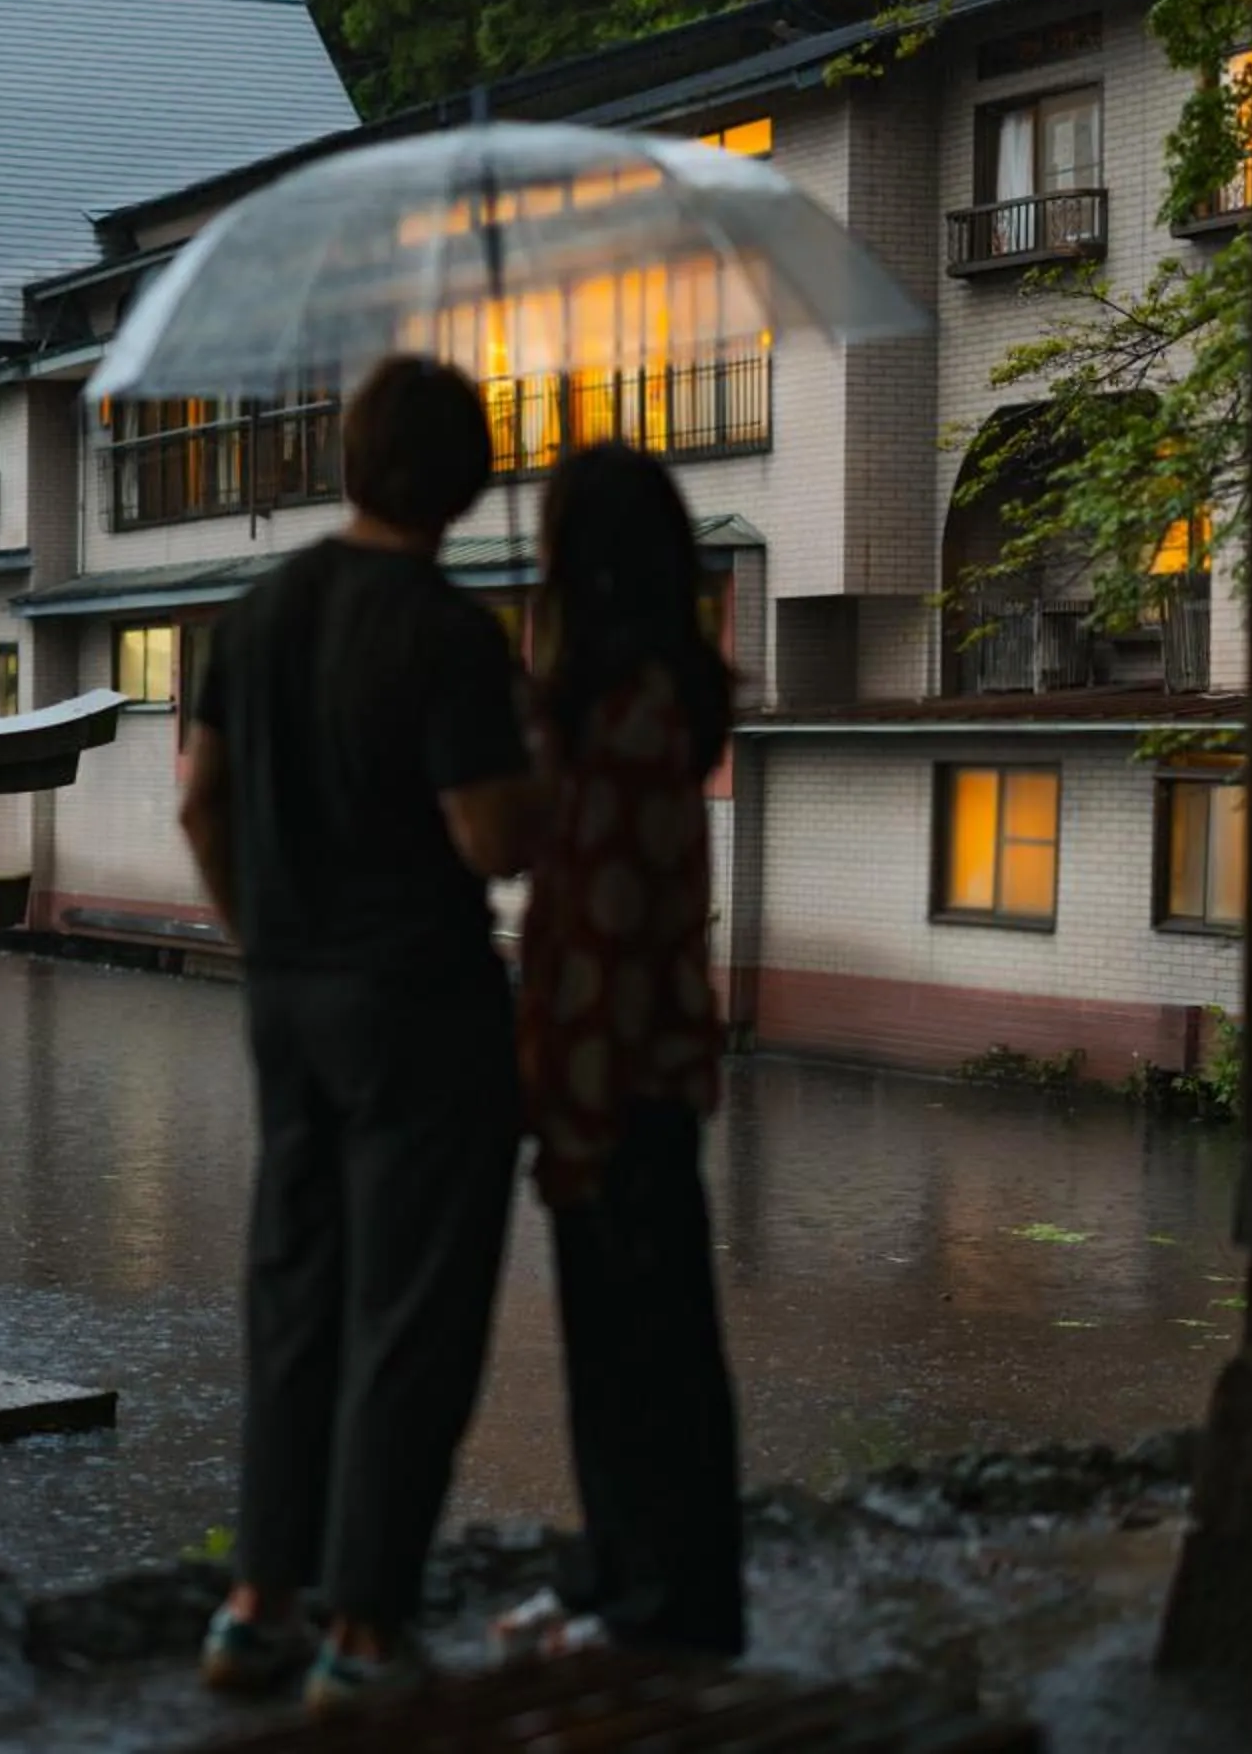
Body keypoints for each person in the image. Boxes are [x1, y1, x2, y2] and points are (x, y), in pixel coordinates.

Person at [177, 354, 542, 1708]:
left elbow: (200, 804)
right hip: (424, 1010)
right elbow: (490, 839)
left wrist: (262, 939)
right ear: (468, 482)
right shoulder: (448, 635)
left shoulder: (256, 614)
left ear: (345, 466)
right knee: (413, 1310)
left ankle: (257, 1601)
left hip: (289, 998)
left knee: (295, 1292)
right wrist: (540, 763)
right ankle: (366, 1630)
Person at [511, 441, 745, 1660]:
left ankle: (667, 1600)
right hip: (640, 1067)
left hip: (614, 1077)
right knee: (623, 1340)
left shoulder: (628, 713)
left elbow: (599, 924)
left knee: (643, 1348)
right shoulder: (643, 696)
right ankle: (620, 1574)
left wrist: (572, 1108)